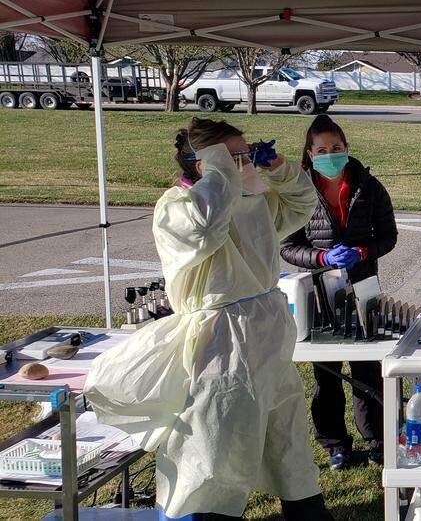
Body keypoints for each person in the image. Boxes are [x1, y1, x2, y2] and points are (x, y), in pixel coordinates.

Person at [85, 118, 331, 520]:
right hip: (220, 344)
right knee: (213, 450)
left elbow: (302, 204)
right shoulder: (178, 207)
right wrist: (221, 168)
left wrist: (279, 167)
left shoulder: (252, 200)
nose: (245, 163)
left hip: (267, 334)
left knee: (288, 444)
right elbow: (206, 226)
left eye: (246, 154)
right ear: (205, 165)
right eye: (235, 157)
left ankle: (307, 512)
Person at [280, 114, 398, 470]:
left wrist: (362, 252)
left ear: (347, 149)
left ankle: (377, 438)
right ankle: (335, 443)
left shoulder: (369, 186)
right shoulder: (298, 191)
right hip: (317, 294)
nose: (330, 153)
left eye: (336, 148)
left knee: (367, 371)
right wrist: (322, 257)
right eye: (322, 149)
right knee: (326, 375)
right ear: (309, 153)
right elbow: (288, 247)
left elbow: (388, 236)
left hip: (363, 290)